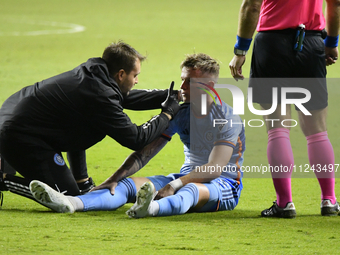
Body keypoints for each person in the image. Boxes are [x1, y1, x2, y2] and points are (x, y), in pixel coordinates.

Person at [29, 53, 246, 217]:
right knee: (125, 186)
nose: (181, 88)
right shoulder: (181, 113)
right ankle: (71, 203)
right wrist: (113, 179)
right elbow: (144, 154)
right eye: (182, 80)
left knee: (188, 191)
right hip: (183, 179)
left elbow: (214, 169)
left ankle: (151, 208)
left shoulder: (227, 118)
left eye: (189, 82)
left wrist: (174, 185)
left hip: (223, 186)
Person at [0, 41, 180, 206]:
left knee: (82, 131)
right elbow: (136, 138)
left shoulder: (95, 76)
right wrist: (167, 113)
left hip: (16, 120)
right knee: (66, 197)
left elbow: (122, 99)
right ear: (121, 74)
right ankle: (3, 178)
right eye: (135, 75)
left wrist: (172, 96)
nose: (137, 81)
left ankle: (77, 180)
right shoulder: (100, 94)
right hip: (19, 134)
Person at [229, 0, 339, 217]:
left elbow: (252, 5)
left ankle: (284, 203)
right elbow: (335, 3)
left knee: (277, 127)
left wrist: (241, 49)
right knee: (317, 130)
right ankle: (329, 200)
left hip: (272, 44)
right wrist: (331, 42)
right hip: (311, 41)